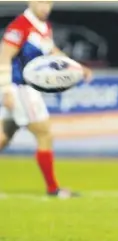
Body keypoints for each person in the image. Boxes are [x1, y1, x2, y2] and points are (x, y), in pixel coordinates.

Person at [0, 1, 93, 198]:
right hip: (20, 88)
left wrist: (76, 67)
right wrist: (6, 89)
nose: (45, 7)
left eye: (48, 3)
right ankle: (53, 188)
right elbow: (4, 56)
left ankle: (53, 188)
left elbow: (52, 53)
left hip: (24, 89)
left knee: (3, 137)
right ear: (30, 2)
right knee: (45, 134)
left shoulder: (43, 27)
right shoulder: (20, 26)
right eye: (41, 2)